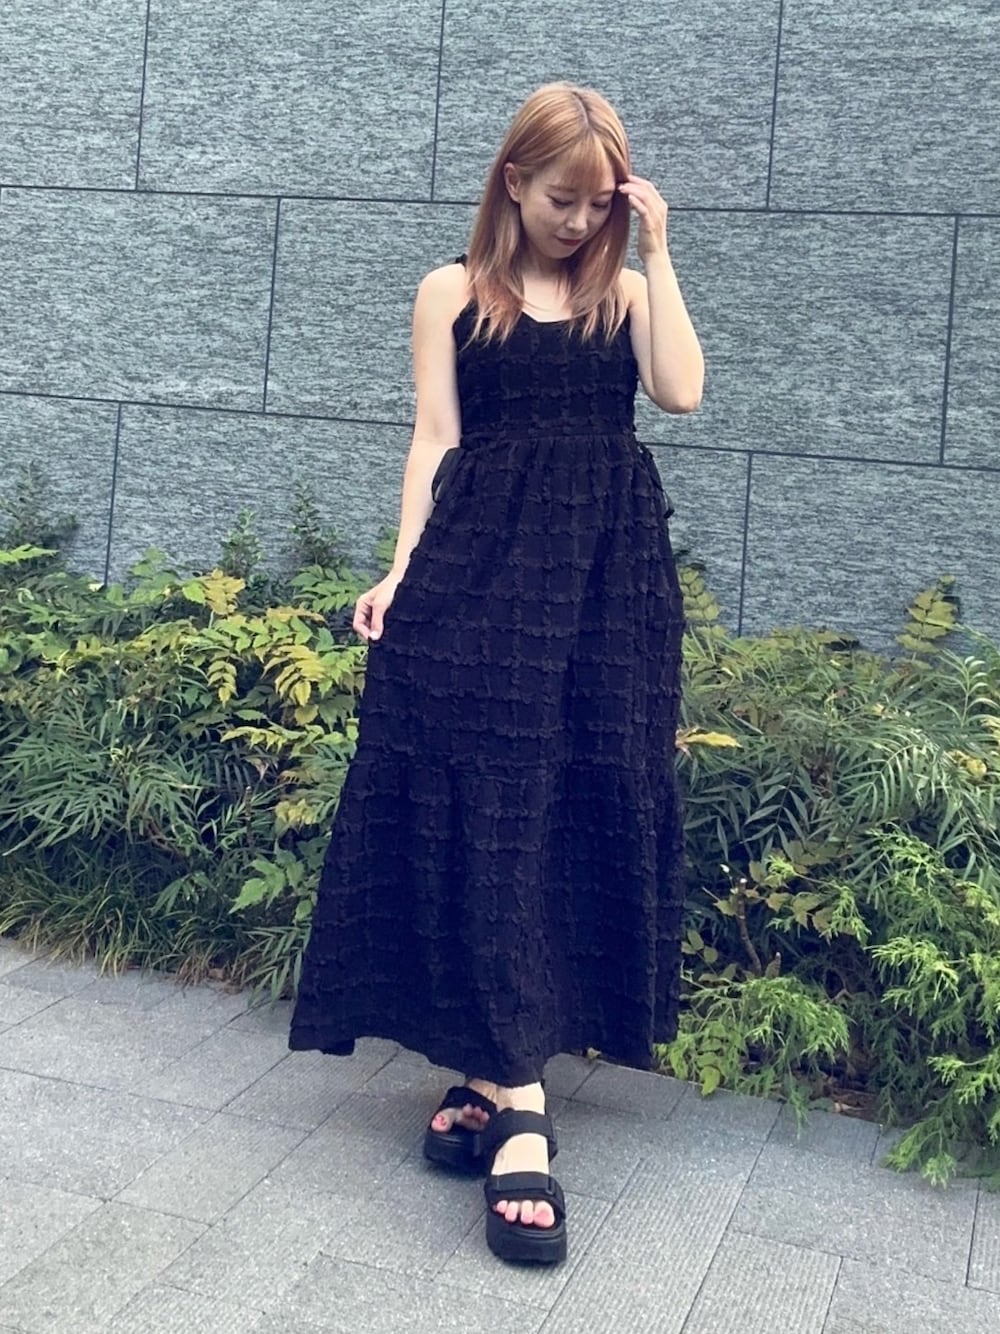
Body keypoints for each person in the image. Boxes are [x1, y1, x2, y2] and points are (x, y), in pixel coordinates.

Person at [288, 82, 704, 1267]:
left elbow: (679, 392)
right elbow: (436, 438)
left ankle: (484, 1068)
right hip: (478, 578)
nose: (577, 219)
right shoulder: (451, 293)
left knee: (571, 801)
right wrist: (400, 569)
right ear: (512, 182)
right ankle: (520, 1104)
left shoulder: (625, 295)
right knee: (478, 802)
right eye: (559, 197)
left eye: (597, 201)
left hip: (604, 590)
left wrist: (658, 249)